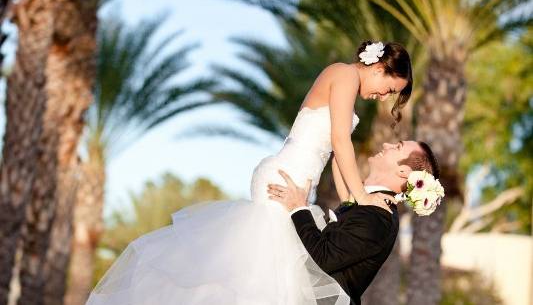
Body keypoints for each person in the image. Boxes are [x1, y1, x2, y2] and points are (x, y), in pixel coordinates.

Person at [86, 41, 413, 305]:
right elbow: (341, 142)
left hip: (296, 182)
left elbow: (333, 155)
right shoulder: (344, 74)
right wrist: (363, 197)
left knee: (273, 279)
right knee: (260, 284)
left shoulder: (348, 86)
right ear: (378, 66)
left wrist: (350, 205)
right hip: (285, 178)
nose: (383, 98)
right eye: (388, 88)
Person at [267, 140, 440, 305]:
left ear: (403, 172)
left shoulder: (379, 218)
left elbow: (323, 257)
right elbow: (341, 162)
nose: (387, 145)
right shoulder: (366, 201)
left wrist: (298, 208)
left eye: (397, 147)